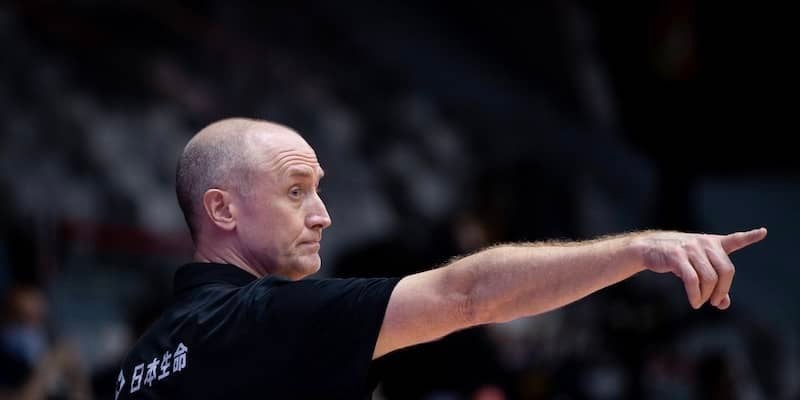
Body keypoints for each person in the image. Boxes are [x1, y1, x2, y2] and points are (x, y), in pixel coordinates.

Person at [114, 117, 767, 399]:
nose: (321, 214)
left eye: (318, 189)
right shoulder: (268, 317)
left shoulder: (136, 368)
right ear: (223, 210)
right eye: (295, 191)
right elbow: (466, 295)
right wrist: (639, 248)